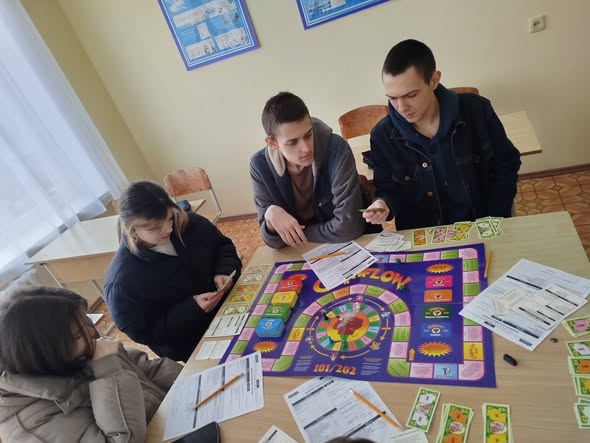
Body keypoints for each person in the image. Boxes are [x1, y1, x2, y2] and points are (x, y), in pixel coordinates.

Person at [363, 39, 521, 230]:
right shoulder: (382, 135)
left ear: (434, 80)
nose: (402, 107)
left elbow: (506, 165)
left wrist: (494, 220)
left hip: (484, 222)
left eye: (411, 95)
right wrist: (383, 202)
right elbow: (388, 188)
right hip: (426, 235)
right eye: (392, 98)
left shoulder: (476, 110)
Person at [0, 286, 182, 442]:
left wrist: (190, 383)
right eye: (78, 334)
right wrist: (107, 372)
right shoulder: (29, 424)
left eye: (87, 322)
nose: (91, 334)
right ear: (44, 352)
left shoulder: (82, 351)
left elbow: (150, 369)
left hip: (172, 423)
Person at [104, 181, 242, 362]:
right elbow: (146, 332)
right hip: (193, 344)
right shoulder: (121, 283)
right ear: (132, 229)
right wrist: (192, 309)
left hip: (232, 310)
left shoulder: (191, 224)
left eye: (169, 218)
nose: (168, 228)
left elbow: (224, 248)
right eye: (155, 227)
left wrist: (224, 271)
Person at [250, 91, 370, 249]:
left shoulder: (336, 148)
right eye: (292, 142)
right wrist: (270, 217)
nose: (306, 148)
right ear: (273, 144)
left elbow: (349, 228)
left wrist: (294, 235)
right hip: (307, 250)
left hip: (356, 244)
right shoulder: (259, 166)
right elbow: (272, 241)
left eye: (308, 135)